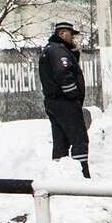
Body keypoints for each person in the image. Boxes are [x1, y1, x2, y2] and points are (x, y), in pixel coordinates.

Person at [39, 20, 89, 176]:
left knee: (60, 142)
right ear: (62, 33)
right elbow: (63, 72)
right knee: (79, 139)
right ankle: (83, 174)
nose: (73, 39)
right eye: (70, 35)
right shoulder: (59, 51)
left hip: (54, 102)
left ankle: (59, 174)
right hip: (65, 103)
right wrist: (72, 94)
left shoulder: (50, 49)